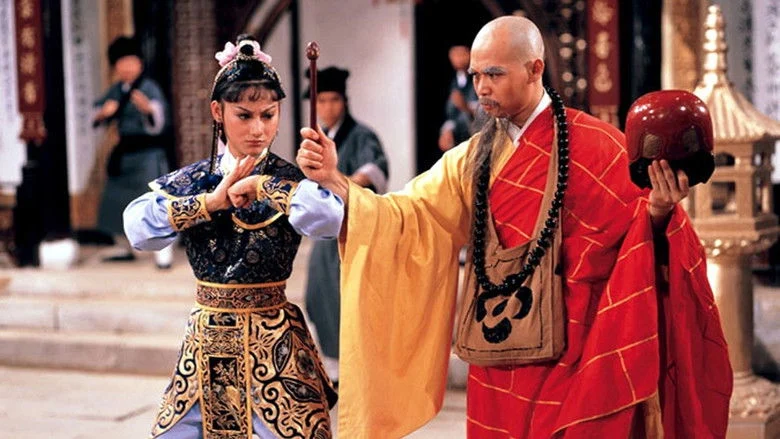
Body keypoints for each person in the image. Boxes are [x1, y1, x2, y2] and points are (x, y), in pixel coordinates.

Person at [291, 16, 732, 439]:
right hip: (498, 349)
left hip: (577, 351)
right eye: (476, 75)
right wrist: (335, 180)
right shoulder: (474, 157)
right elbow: (409, 215)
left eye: (494, 74)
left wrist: (659, 210)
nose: (481, 87)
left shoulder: (598, 146)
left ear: (535, 69)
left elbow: (642, 238)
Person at [123, 35, 338, 438]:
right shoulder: (194, 181)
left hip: (276, 343)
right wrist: (210, 202)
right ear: (217, 112)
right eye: (244, 115)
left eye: (268, 115)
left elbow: (330, 220)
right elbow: (136, 227)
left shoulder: (293, 181)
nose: (258, 129)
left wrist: (263, 186)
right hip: (207, 344)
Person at [302, 66, 389, 384]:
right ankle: (335, 365)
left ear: (344, 101)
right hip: (326, 230)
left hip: (355, 227)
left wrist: (341, 183)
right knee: (317, 294)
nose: (328, 107)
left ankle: (359, 367)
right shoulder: (318, 139)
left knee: (350, 297)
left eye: (334, 100)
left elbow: (374, 170)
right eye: (322, 101)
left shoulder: (362, 135)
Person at [93, 35, 174, 269]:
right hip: (125, 154)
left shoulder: (149, 87)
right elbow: (97, 112)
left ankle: (164, 253)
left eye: (131, 61)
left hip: (148, 155)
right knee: (116, 200)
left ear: (140, 63)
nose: (127, 67)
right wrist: (104, 113)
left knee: (154, 203)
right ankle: (124, 246)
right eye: (122, 62)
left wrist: (149, 109)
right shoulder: (116, 90)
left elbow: (160, 118)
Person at [438, 45, 479, 152]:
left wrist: (466, 107)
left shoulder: (478, 77)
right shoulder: (450, 81)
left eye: (462, 54)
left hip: (476, 135)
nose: (459, 59)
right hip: (458, 140)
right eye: (455, 55)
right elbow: (450, 114)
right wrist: (446, 130)